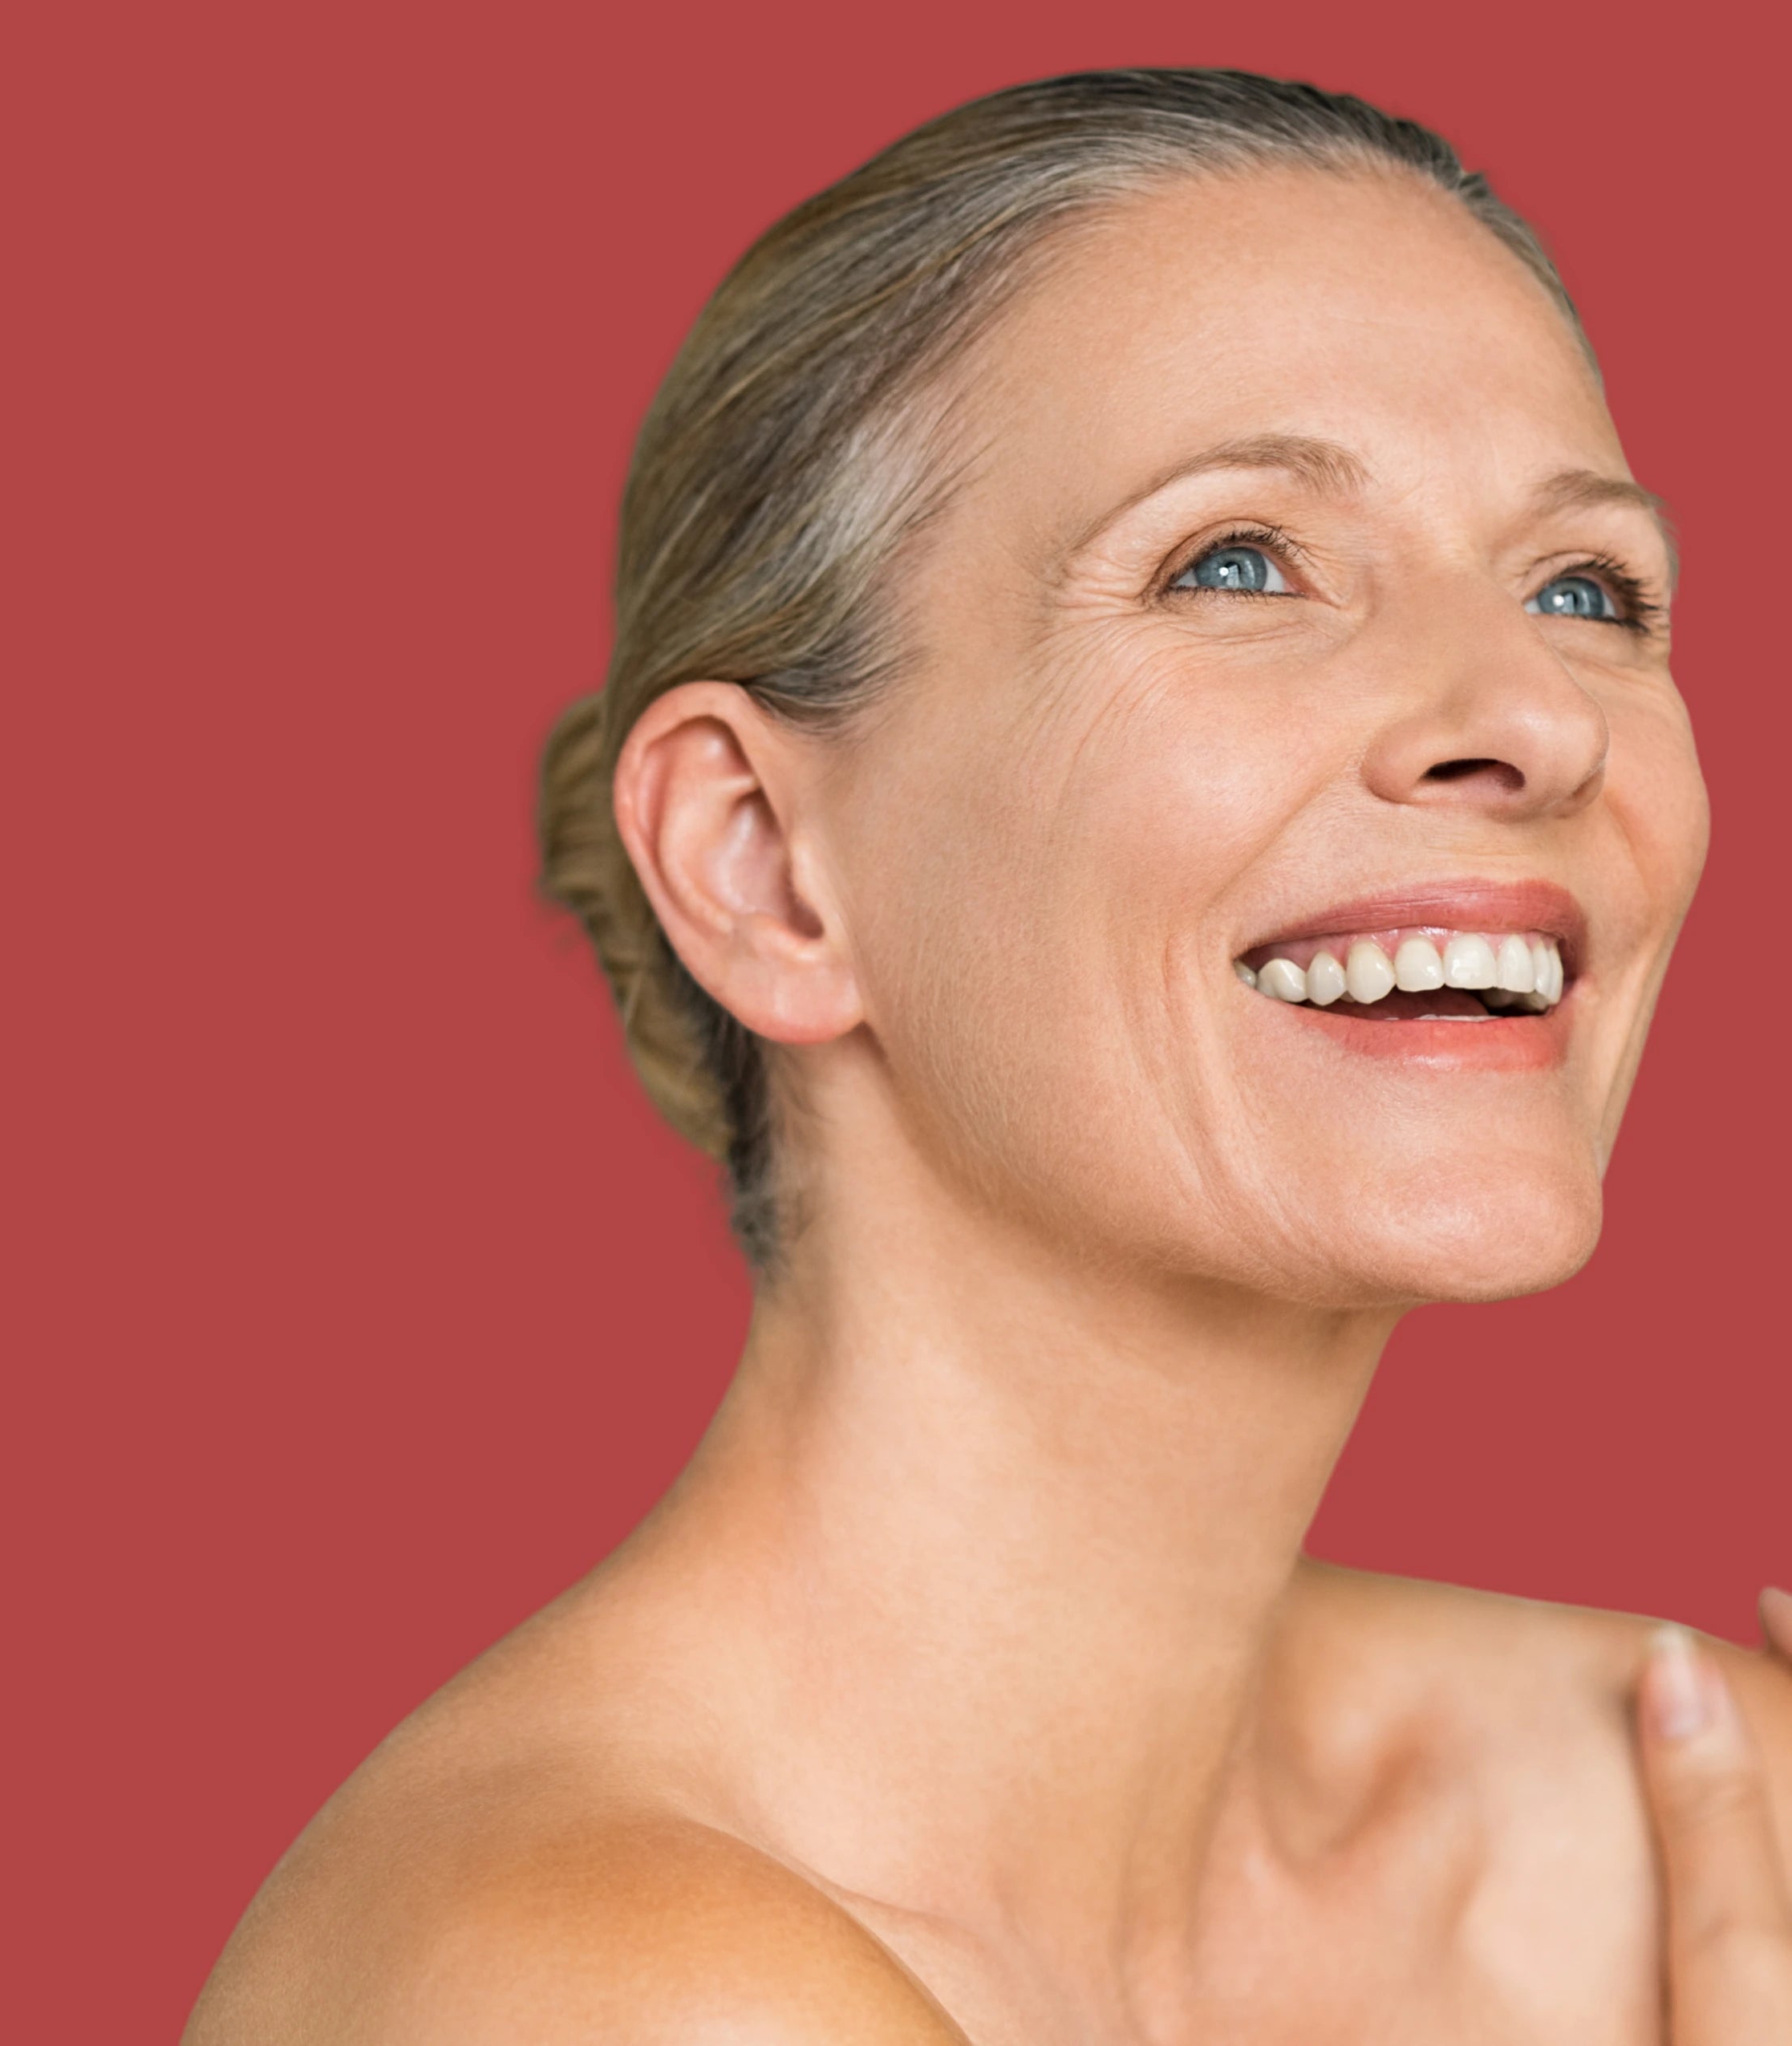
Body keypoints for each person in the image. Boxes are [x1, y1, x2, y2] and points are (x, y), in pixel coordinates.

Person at [184, 70, 1790, 2041]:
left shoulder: (1671, 1821)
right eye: (1238, 562)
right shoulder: (605, 1991)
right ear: (767, 867)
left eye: (1586, 589)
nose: (1539, 717)